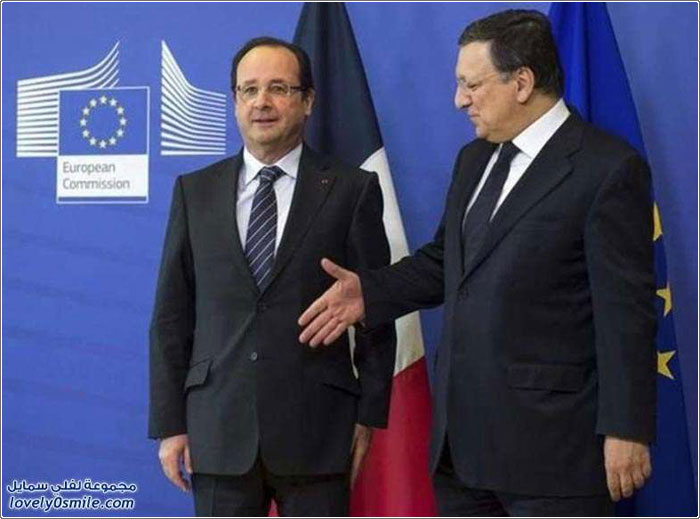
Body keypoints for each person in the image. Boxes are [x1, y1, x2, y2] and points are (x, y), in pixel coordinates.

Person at [298, 10, 656, 517]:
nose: (459, 100)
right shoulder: (474, 160)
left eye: (471, 84)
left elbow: (626, 314)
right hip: (462, 451)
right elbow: (447, 262)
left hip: (556, 452)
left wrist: (626, 428)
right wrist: (370, 292)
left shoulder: (607, 169)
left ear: (522, 83)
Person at [148, 36, 396, 517]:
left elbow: (375, 308)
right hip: (218, 429)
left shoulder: (352, 189)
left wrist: (368, 413)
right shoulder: (194, 193)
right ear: (235, 101)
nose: (262, 102)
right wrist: (170, 424)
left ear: (308, 101)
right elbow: (171, 316)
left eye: (279, 88)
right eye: (249, 89)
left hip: (320, 429)